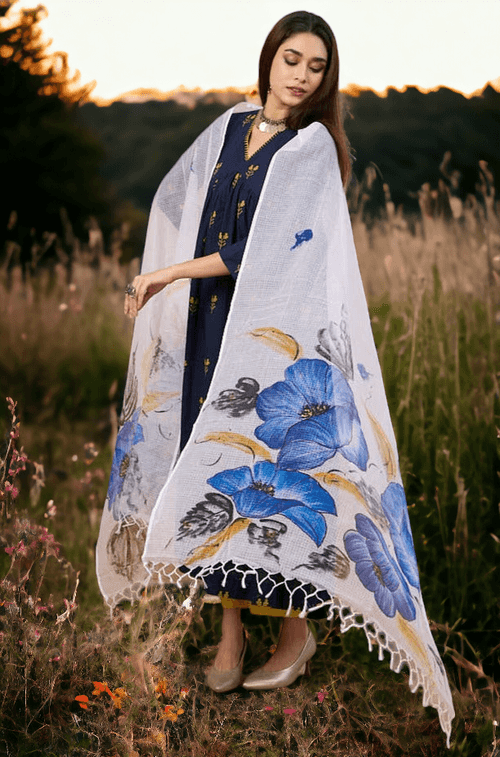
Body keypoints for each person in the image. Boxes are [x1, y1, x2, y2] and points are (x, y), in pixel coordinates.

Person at [97, 11, 454, 743]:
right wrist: (167, 264)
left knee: (265, 471)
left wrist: (166, 272)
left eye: (316, 66)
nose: (300, 75)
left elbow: (253, 251)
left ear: (327, 80)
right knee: (215, 473)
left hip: (266, 337)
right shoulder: (229, 128)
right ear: (268, 60)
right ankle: (230, 634)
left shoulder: (311, 148)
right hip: (208, 330)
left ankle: (294, 632)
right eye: (290, 58)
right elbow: (181, 203)